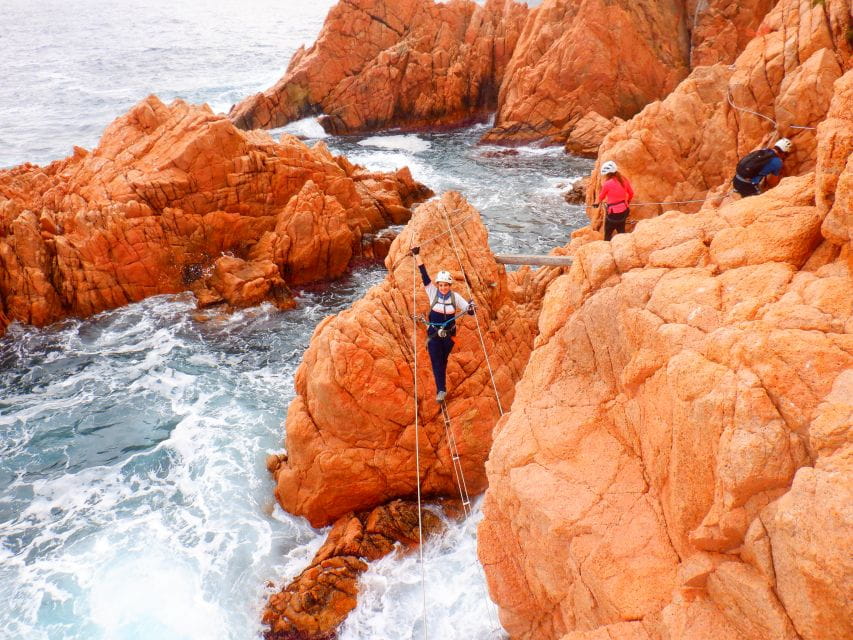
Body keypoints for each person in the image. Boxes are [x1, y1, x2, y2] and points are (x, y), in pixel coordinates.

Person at [411, 246, 475, 404]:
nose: (443, 287)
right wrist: (417, 255)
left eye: (446, 285)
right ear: (438, 285)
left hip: (449, 336)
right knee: (436, 360)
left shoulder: (455, 297)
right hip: (433, 334)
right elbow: (424, 275)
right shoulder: (432, 293)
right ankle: (441, 389)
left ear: (450, 285)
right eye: (441, 285)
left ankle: (441, 385)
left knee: (443, 360)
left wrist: (472, 308)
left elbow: (469, 310)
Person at [597, 160, 634, 241]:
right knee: (621, 231)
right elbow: (631, 193)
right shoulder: (623, 179)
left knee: (608, 234)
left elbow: (601, 197)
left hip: (613, 213)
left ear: (608, 174)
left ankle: (607, 250)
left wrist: (596, 203)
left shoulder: (607, 184)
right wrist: (627, 202)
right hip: (624, 210)